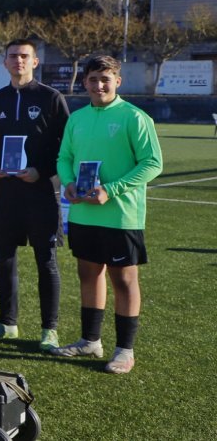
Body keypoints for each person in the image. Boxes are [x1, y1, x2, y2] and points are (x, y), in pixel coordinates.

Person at [51, 56, 163, 374]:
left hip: (120, 216)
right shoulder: (77, 118)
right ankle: (90, 341)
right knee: (88, 274)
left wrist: (110, 190)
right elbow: (64, 157)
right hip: (84, 214)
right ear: (84, 83)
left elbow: (153, 163)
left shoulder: (134, 117)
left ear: (118, 81)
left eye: (105, 78)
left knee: (124, 281)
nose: (99, 85)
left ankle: (125, 350)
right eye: (93, 79)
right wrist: (69, 183)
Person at [0, 38, 70, 351]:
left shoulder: (51, 97)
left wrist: (43, 171)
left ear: (34, 62)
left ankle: (50, 329)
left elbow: (66, 145)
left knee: (45, 259)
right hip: (6, 192)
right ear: (5, 62)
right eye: (13, 56)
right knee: (3, 256)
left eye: (24, 56)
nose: (18, 61)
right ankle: (7, 322)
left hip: (41, 192)